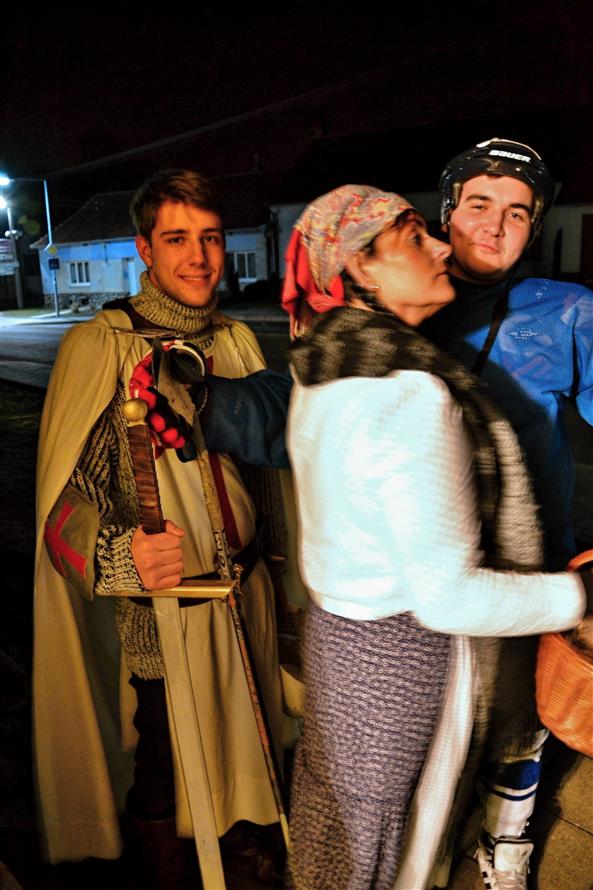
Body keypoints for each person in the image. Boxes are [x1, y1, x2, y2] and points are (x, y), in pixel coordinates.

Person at [200, 139, 593, 889]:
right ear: (447, 213)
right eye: (478, 204)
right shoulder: (404, 344)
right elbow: (304, 414)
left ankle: (505, 851)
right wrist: (213, 404)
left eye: (518, 213)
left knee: (512, 734)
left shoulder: (562, 312)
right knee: (397, 816)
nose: (492, 226)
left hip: (514, 571)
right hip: (432, 608)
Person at [34, 168, 287, 888]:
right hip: (162, 611)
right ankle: (166, 871)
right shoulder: (104, 348)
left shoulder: (236, 339)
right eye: (177, 239)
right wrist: (124, 559)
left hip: (246, 591)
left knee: (249, 740)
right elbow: (64, 512)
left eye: (210, 238)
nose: (198, 257)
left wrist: (278, 568)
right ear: (145, 248)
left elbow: (267, 479)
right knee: (165, 765)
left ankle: (239, 857)